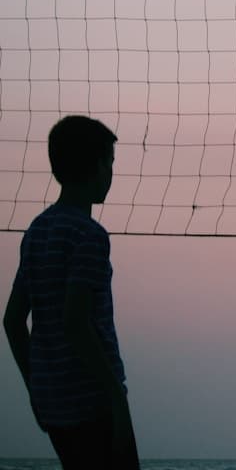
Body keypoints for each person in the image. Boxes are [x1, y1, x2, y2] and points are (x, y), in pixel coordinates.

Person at [4, 115, 139, 469]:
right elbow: (76, 322)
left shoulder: (37, 231)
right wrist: (117, 398)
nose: (111, 173)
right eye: (110, 163)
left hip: (55, 406)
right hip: (93, 402)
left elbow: (13, 320)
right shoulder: (89, 236)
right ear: (96, 167)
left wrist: (36, 390)